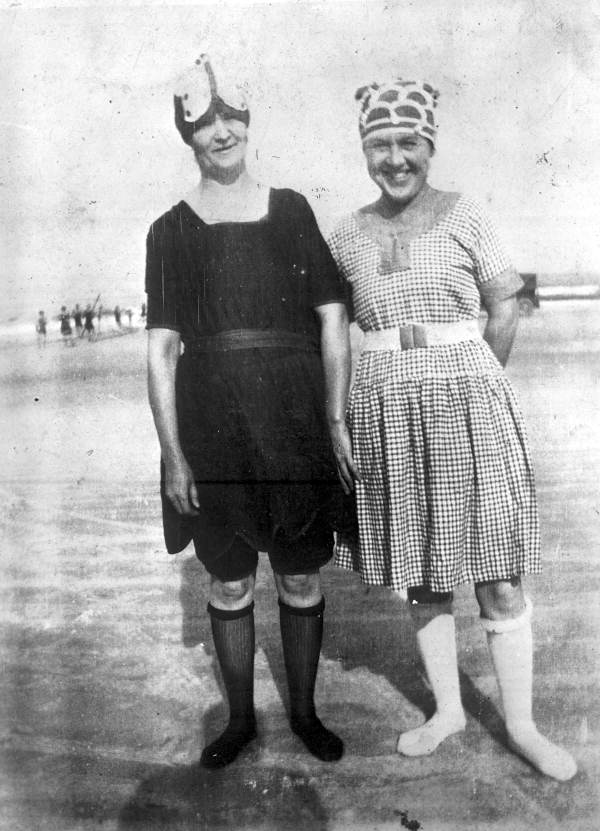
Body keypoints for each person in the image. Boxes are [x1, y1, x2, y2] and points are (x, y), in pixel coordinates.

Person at [327, 78, 577, 781]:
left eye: (408, 143)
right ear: (364, 150)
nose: (395, 158)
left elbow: (504, 305)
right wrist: (340, 413)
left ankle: (521, 725)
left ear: (429, 145)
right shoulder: (345, 233)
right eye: (380, 145)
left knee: (498, 573)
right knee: (423, 573)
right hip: (385, 407)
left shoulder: (466, 215)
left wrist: (472, 383)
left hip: (470, 400)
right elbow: (336, 332)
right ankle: (448, 711)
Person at [146, 55, 355, 770]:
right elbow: (161, 349)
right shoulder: (168, 230)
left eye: (233, 117)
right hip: (212, 427)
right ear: (187, 135)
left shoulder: (291, 208)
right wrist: (173, 452)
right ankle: (240, 719)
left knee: (300, 574)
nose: (223, 132)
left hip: (294, 421)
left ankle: (302, 711)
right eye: (205, 123)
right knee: (229, 578)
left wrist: (333, 420)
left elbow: (332, 317)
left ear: (249, 123)